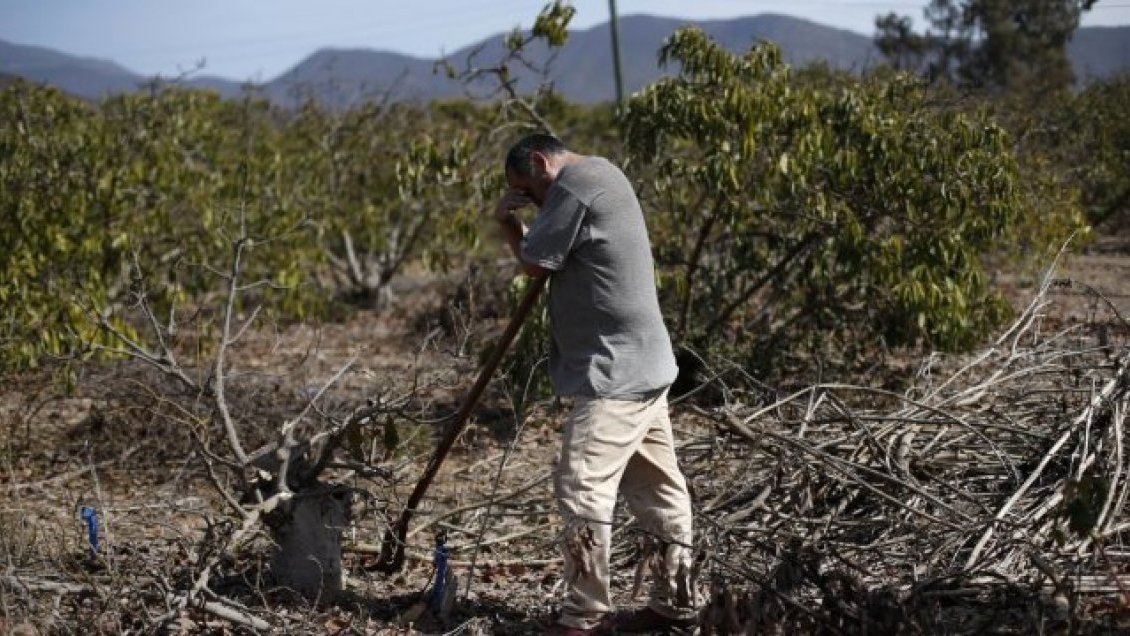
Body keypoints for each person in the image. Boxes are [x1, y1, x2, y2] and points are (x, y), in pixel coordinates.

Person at [492, 133, 697, 634]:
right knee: (660, 491)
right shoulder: (600, 174)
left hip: (616, 374)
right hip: (646, 365)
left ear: (541, 163)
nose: (531, 200)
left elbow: (535, 263)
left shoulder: (576, 186)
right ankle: (677, 604)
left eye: (527, 188)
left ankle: (586, 616)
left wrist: (508, 221)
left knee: (583, 487)